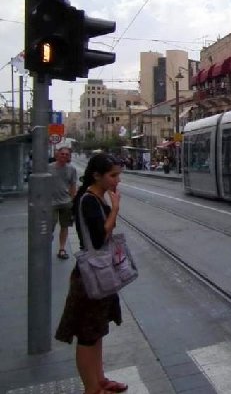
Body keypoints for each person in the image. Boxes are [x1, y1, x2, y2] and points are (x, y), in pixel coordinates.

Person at [55, 153, 128, 394]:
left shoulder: (95, 197)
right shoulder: (88, 200)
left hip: (99, 273)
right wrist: (115, 209)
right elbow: (98, 239)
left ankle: (100, 380)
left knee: (96, 331)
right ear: (97, 176)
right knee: (87, 335)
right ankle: (92, 388)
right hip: (90, 277)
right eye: (113, 175)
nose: (117, 180)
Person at [49, 147, 78, 260]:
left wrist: (73, 201)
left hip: (66, 202)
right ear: (57, 155)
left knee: (65, 226)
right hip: (51, 202)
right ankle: (47, 247)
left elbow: (73, 185)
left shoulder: (72, 169)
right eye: (62, 154)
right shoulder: (48, 167)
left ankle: (62, 249)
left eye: (67, 154)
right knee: (49, 226)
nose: (64, 156)